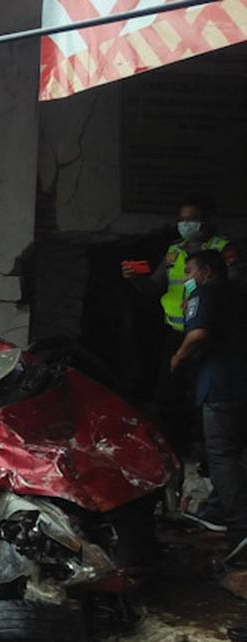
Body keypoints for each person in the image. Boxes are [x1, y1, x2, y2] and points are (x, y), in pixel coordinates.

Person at [124, 199, 232, 474]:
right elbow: (153, 287)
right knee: (168, 394)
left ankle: (210, 458)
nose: (185, 224)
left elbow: (232, 288)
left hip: (206, 336)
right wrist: (136, 278)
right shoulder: (174, 252)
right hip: (175, 333)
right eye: (182, 219)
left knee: (206, 400)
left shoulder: (221, 249)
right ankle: (173, 452)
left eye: (192, 219)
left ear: (205, 220)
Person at [169, 250, 247, 566]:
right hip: (241, 385)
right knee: (237, 453)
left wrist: (178, 357)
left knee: (221, 455)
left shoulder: (205, 293)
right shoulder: (239, 294)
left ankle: (240, 527)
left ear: (205, 272)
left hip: (221, 386)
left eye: (189, 272)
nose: (187, 279)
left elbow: (198, 333)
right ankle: (216, 512)